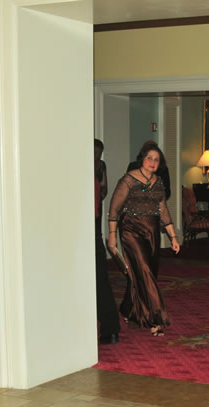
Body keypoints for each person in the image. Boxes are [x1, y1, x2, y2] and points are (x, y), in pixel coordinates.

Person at [107, 145, 180, 336]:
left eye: (157, 160)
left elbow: (163, 210)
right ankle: (155, 318)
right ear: (142, 159)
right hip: (131, 230)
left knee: (145, 272)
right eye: (149, 158)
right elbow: (114, 209)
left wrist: (173, 236)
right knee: (145, 271)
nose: (153, 163)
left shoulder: (159, 182)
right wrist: (112, 235)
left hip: (152, 230)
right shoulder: (129, 179)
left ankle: (128, 309)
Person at [94, 140, 120, 345]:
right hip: (91, 228)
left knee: (99, 281)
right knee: (100, 281)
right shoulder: (91, 170)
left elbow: (103, 192)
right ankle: (110, 328)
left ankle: (110, 328)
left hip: (90, 229)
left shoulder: (97, 168)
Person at [94, 139, 108, 237]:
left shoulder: (101, 165)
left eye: (99, 153)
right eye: (95, 152)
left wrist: (100, 196)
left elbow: (104, 185)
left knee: (97, 231)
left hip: (97, 201)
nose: (97, 155)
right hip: (86, 202)